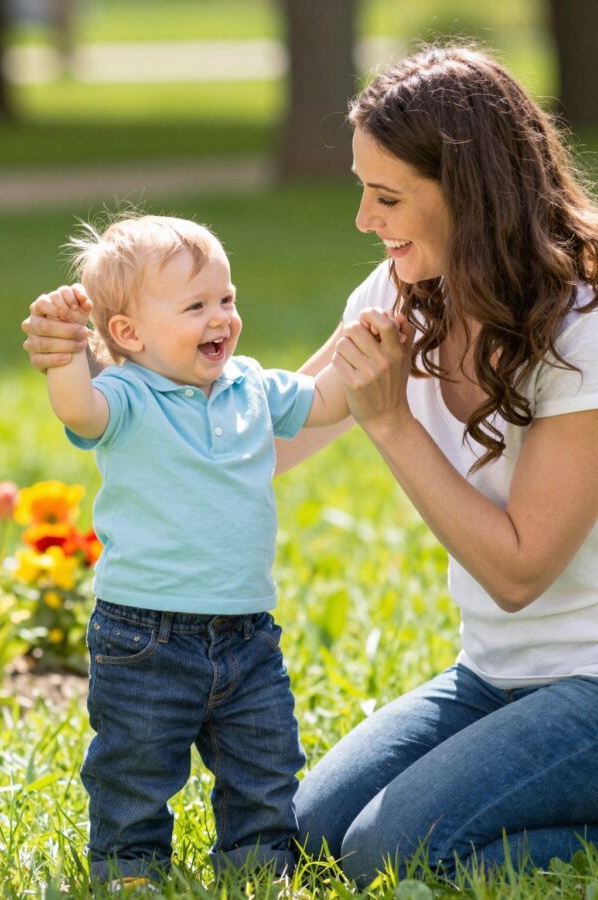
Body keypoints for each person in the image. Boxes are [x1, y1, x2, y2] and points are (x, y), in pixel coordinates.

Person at [22, 45, 598, 887]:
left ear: (469, 196)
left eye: (387, 196)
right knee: (309, 838)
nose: (364, 217)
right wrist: (107, 372)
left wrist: (392, 421)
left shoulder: (597, 335)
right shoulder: (397, 293)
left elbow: (518, 571)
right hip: (495, 678)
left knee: (382, 857)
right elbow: (255, 442)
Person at [40, 214, 353, 882]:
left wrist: (370, 359)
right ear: (128, 334)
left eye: (226, 299)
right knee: (135, 766)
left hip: (246, 635)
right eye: (196, 306)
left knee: (265, 766)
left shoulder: (252, 386)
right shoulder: (126, 395)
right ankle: (129, 868)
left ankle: (261, 868)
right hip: (144, 636)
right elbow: (78, 411)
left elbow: (325, 401)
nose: (221, 318)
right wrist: (67, 352)